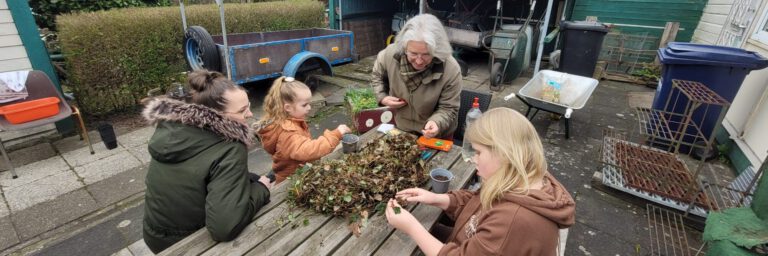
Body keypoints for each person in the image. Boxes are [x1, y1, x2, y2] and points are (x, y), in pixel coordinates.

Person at [385, 107, 576, 255]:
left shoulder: (514, 222)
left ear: (505, 154)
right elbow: (477, 202)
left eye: (478, 152)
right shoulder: (519, 179)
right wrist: (437, 198)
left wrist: (411, 226)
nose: (472, 159)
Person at [142, 70, 271, 253]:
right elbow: (224, 227)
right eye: (242, 110)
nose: (250, 114)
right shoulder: (230, 146)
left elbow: (196, 172)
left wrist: (246, 178)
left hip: (153, 236)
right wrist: (262, 189)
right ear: (216, 115)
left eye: (248, 106)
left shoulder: (173, 127)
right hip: (187, 245)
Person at [371, 14, 461, 139]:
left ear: (437, 50)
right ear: (404, 46)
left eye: (426, 54)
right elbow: (377, 75)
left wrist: (436, 122)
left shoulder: (450, 68)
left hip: (435, 135)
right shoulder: (389, 55)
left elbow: (449, 107)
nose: (419, 61)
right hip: (402, 128)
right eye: (413, 53)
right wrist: (382, 97)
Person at [255, 76, 351, 184]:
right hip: (291, 181)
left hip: (296, 173)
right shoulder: (288, 132)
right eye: (304, 105)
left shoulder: (288, 121)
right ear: (288, 108)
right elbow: (309, 150)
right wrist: (336, 134)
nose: (309, 108)